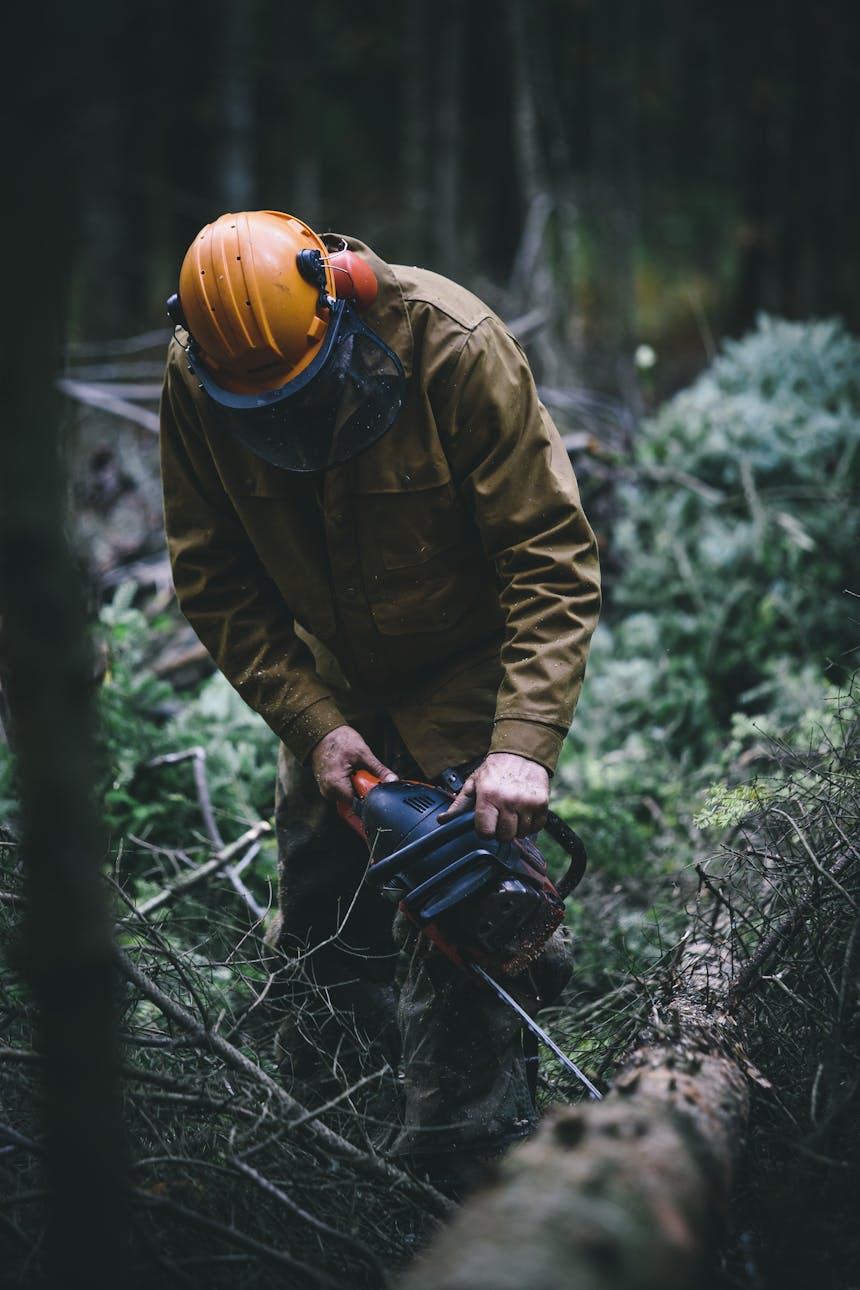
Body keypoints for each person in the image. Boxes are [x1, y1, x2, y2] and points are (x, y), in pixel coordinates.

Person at [159, 209, 601, 1194]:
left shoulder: (451, 345)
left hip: (464, 671)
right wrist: (312, 725)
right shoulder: (202, 374)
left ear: (343, 296)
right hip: (333, 686)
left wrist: (520, 744)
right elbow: (213, 573)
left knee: (465, 920)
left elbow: (548, 556)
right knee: (321, 930)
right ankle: (323, 1154)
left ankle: (471, 1175)